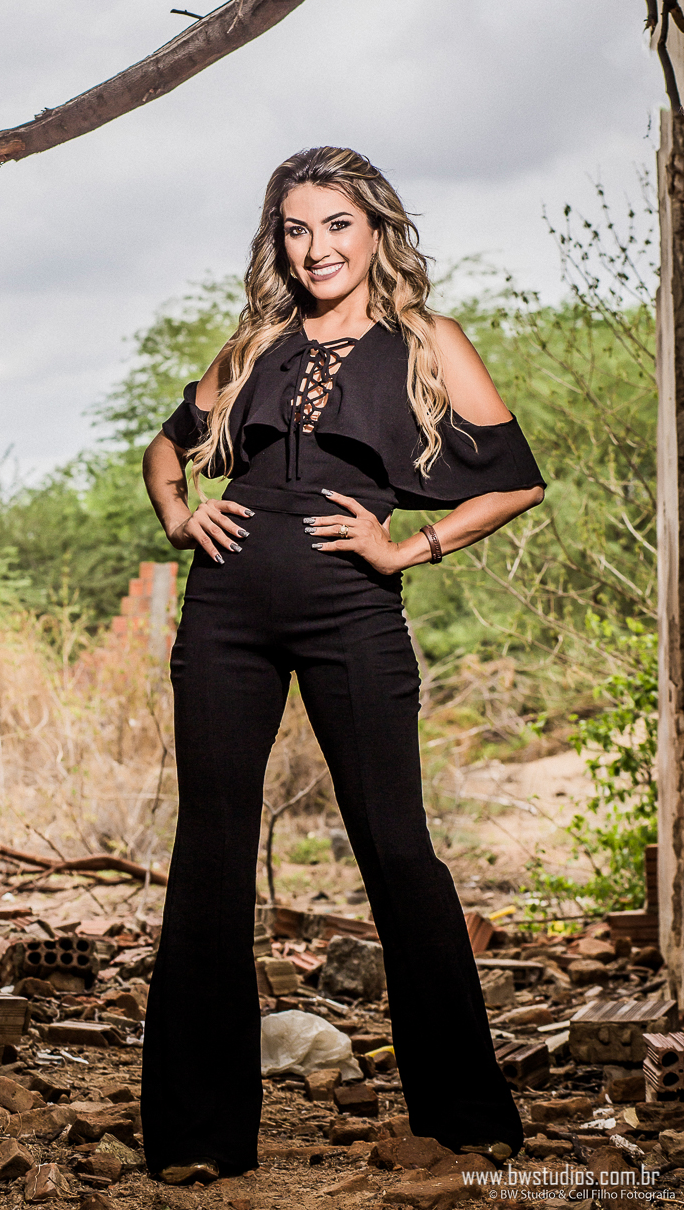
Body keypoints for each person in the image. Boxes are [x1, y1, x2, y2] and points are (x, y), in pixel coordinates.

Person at [138, 146, 546, 1187]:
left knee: (397, 851)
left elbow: (513, 481)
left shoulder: (427, 341)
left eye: (334, 225)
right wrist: (181, 516)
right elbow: (165, 446)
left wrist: (409, 548)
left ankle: (465, 1114)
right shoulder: (255, 341)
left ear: (374, 232)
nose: (314, 248)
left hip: (350, 613)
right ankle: (196, 1134)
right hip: (223, 613)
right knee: (211, 854)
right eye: (294, 228)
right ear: (276, 242)